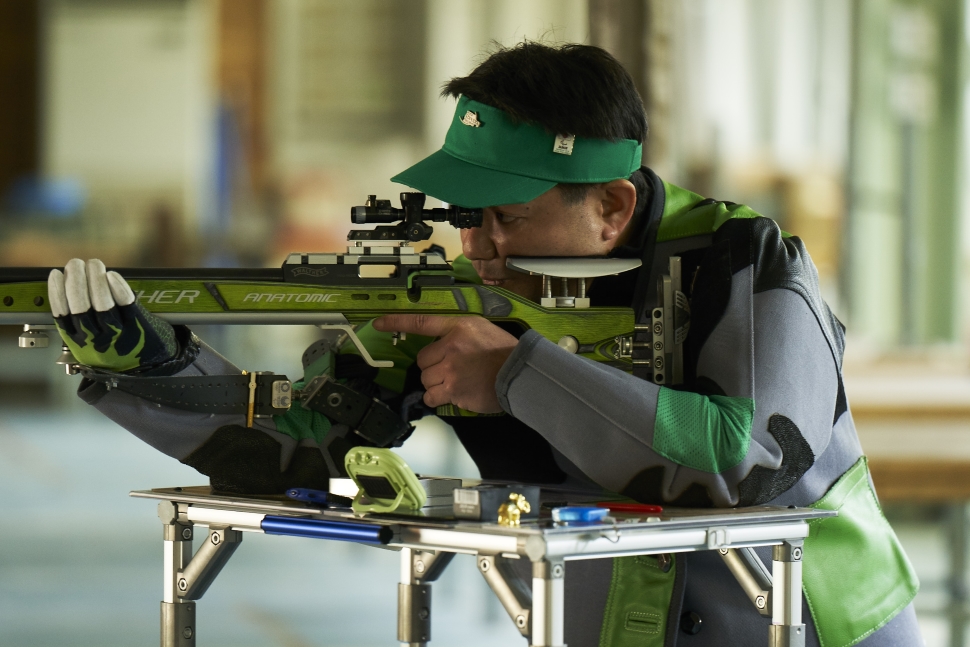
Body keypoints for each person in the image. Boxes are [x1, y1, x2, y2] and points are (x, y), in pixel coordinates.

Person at [49, 43, 922, 647]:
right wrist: (153, 367)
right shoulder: (469, 296)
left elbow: (754, 463)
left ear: (613, 205)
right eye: (469, 216)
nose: (479, 246)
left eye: (509, 216)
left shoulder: (746, 263)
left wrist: (516, 374)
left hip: (808, 625)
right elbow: (303, 453)